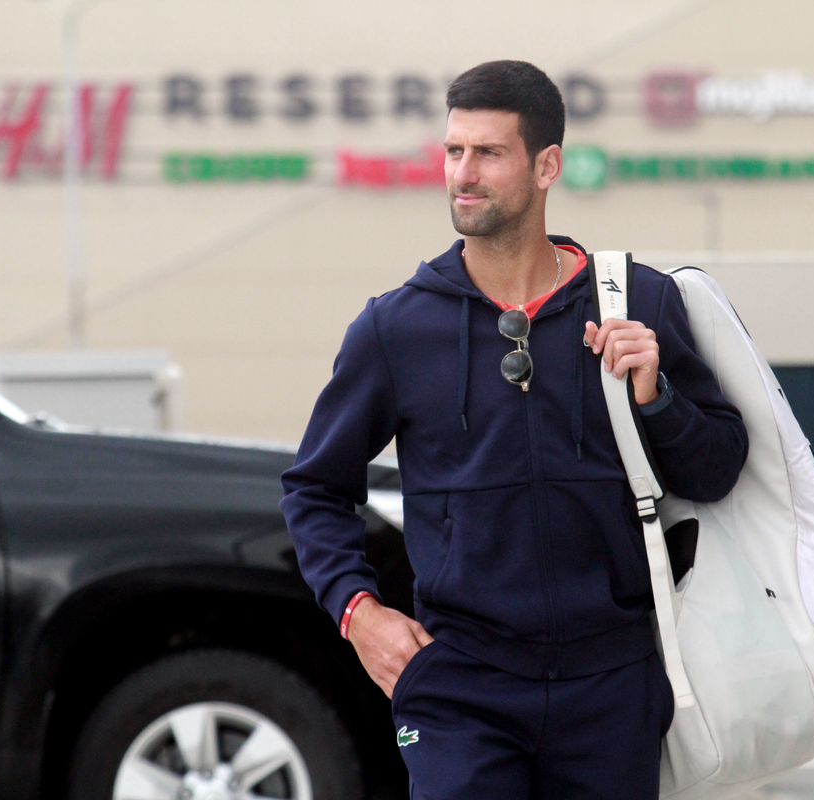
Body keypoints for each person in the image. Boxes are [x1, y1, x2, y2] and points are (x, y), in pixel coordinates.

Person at [280, 60, 748, 799]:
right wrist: (358, 611)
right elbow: (314, 488)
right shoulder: (395, 328)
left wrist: (657, 396)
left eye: (489, 153)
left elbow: (718, 471)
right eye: (453, 150)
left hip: (613, 687)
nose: (463, 173)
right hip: (460, 683)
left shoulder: (639, 302)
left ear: (547, 165)